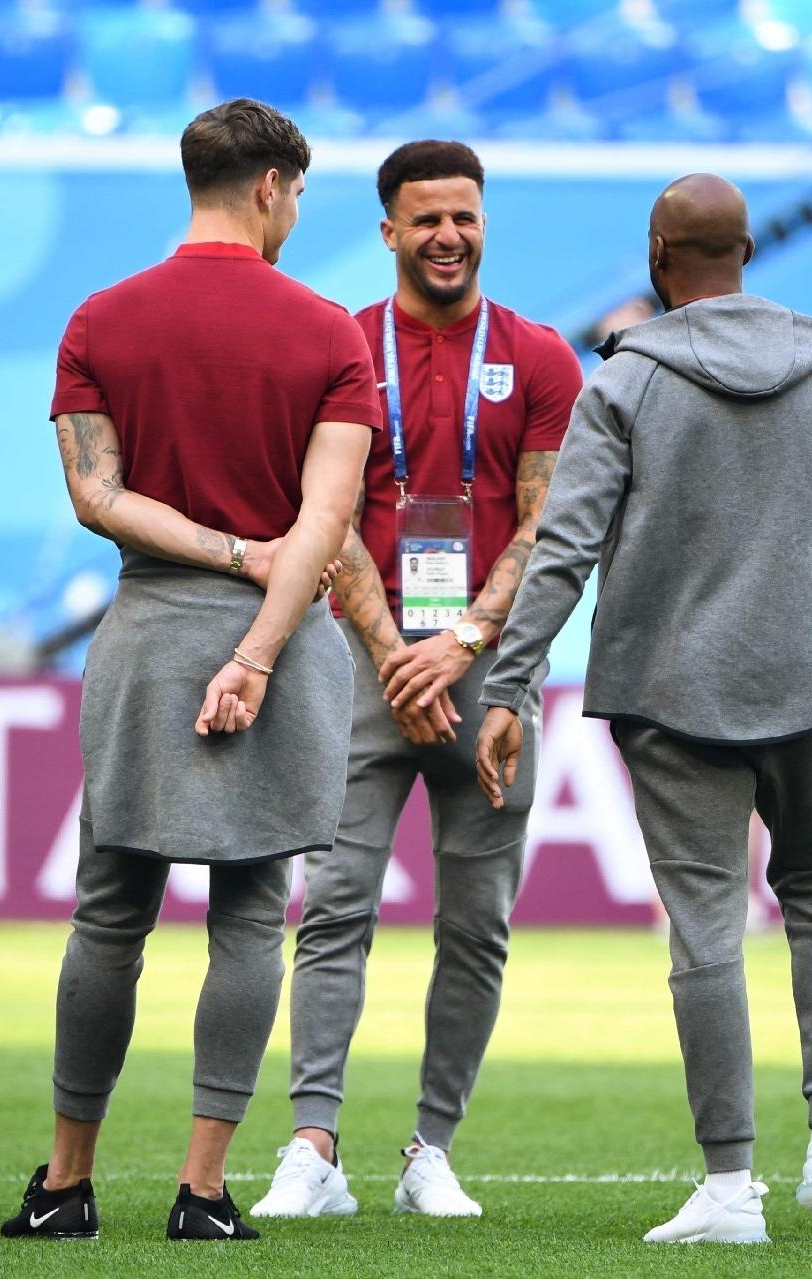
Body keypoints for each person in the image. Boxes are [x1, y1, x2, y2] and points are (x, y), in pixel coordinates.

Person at [474, 174, 812, 1244]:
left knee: (706, 924)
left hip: (673, 696)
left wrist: (511, 684)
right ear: (749, 249)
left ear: (660, 254)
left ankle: (730, 1187)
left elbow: (564, 549)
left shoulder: (622, 384)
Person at [0, 98, 378, 1244]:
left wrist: (215, 555)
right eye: (300, 194)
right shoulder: (328, 333)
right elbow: (327, 518)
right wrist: (259, 646)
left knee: (109, 914)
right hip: (283, 641)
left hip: (146, 636)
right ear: (271, 186)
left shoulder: (101, 320)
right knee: (253, 920)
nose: (297, 212)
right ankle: (203, 1192)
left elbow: (95, 494)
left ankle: (65, 1184)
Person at [252, 140, 582, 1221]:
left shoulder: (538, 359)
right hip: (355, 666)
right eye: (426, 218)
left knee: (476, 923)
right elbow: (323, 510)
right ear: (389, 229)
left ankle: (430, 1148)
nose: (449, 236)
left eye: (465, 218)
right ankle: (312, 1145)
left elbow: (548, 522)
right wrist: (395, 650)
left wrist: (469, 641)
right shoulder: (335, 346)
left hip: (487, 681)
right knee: (335, 906)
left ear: (485, 225)